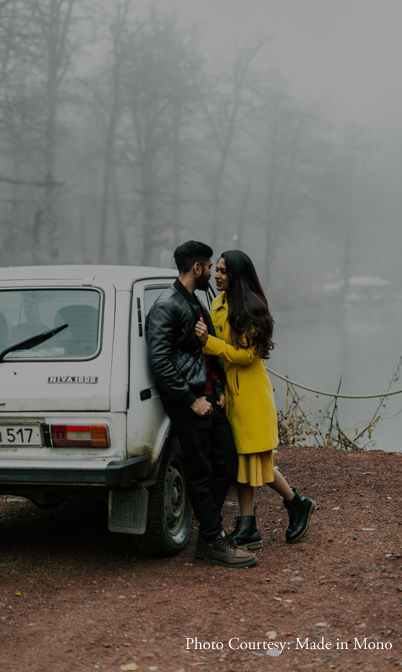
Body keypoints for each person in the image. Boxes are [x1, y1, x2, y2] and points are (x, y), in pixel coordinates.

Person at [146, 241, 258, 568]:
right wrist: (191, 399)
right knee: (200, 472)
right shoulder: (168, 305)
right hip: (190, 401)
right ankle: (212, 540)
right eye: (210, 267)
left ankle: (210, 534)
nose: (212, 272)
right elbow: (159, 360)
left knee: (225, 463)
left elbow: (205, 351)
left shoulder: (194, 302)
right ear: (197, 268)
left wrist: (219, 387)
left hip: (210, 397)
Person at [195, 249, 315, 549]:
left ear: (236, 275)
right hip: (232, 395)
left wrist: (208, 343)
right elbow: (222, 359)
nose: (217, 275)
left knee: (252, 460)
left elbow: (247, 356)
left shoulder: (250, 307)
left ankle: (294, 503)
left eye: (222, 271)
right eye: (217, 270)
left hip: (250, 396)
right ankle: (254, 524)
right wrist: (219, 389)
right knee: (244, 462)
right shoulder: (217, 304)